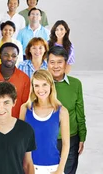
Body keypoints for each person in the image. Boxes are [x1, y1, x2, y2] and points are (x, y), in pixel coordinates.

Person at [19, 69, 70, 174]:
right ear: (32, 88)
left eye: (44, 84)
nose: (40, 89)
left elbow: (66, 144)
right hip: (29, 168)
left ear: (51, 85)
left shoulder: (62, 111)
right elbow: (20, 141)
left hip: (53, 168)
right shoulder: (25, 108)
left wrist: (60, 170)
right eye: (36, 85)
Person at [47, 46, 86, 174]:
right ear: (47, 64)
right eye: (52, 62)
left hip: (71, 139)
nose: (56, 66)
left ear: (65, 63)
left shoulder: (76, 84)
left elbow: (80, 112)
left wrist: (82, 137)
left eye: (60, 62)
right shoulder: (41, 84)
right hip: (47, 140)